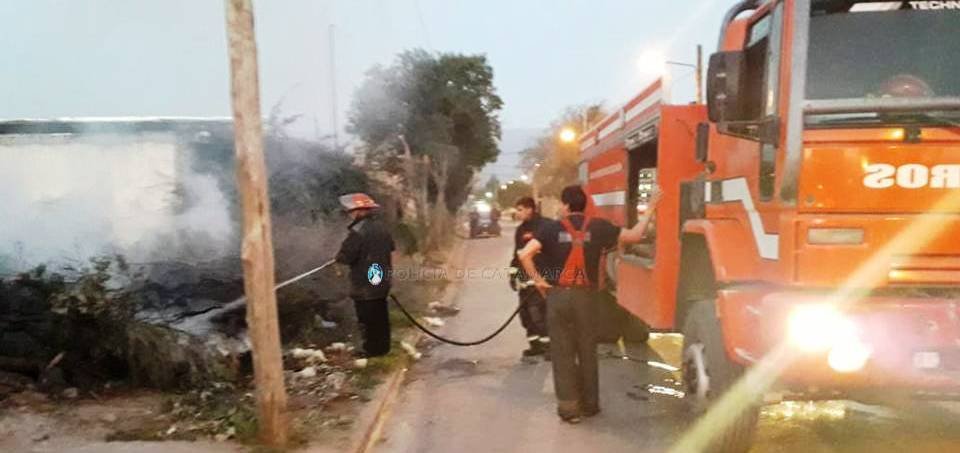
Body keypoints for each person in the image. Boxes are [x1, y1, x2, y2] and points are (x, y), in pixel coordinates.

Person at [518, 184, 661, 423]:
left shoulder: (549, 229)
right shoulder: (600, 227)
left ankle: (569, 409)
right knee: (587, 350)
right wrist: (652, 206)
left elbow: (524, 255)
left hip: (558, 296)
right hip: (586, 298)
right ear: (584, 205)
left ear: (565, 206)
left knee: (562, 352)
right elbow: (635, 235)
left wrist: (539, 282)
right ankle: (590, 405)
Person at [335, 193, 396, 358]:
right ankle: (383, 348)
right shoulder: (382, 228)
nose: (350, 214)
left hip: (364, 284)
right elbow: (390, 247)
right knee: (381, 316)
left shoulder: (357, 231)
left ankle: (371, 349)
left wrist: (338, 259)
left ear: (360, 211)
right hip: (380, 278)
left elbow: (346, 256)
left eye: (352, 211)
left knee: (368, 318)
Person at [509, 196, 550, 358]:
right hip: (525, 281)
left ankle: (549, 347)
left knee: (538, 315)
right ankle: (536, 346)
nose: (517, 213)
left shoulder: (546, 226)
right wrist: (513, 275)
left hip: (540, 279)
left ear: (529, 209)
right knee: (526, 316)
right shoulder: (520, 230)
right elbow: (517, 255)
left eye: (520, 210)